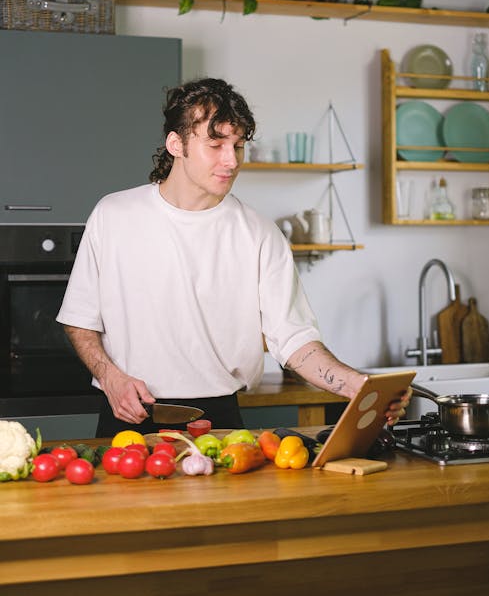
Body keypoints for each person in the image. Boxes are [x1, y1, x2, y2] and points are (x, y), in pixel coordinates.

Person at [57, 78, 410, 437]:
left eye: (238, 145)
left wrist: (355, 383)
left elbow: (293, 340)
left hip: (219, 420)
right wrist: (109, 376)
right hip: (127, 413)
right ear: (176, 144)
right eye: (216, 144)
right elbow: (80, 320)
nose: (232, 160)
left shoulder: (259, 234)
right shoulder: (114, 215)